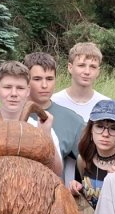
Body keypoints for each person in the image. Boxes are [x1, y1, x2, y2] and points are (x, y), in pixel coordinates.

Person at [25, 51, 85, 179]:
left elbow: (90, 162)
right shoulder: (10, 115)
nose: (44, 85)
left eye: (49, 79)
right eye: (37, 79)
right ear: (26, 81)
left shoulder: (73, 121)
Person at [71, 99, 115, 208]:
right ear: (91, 129)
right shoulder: (82, 160)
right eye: (99, 126)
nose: (105, 134)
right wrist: (76, 189)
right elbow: (83, 199)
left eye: (113, 128)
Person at [51, 41, 110, 121]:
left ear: (98, 71)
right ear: (70, 67)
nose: (87, 72)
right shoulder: (54, 102)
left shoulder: (106, 106)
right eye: (81, 65)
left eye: (93, 67)